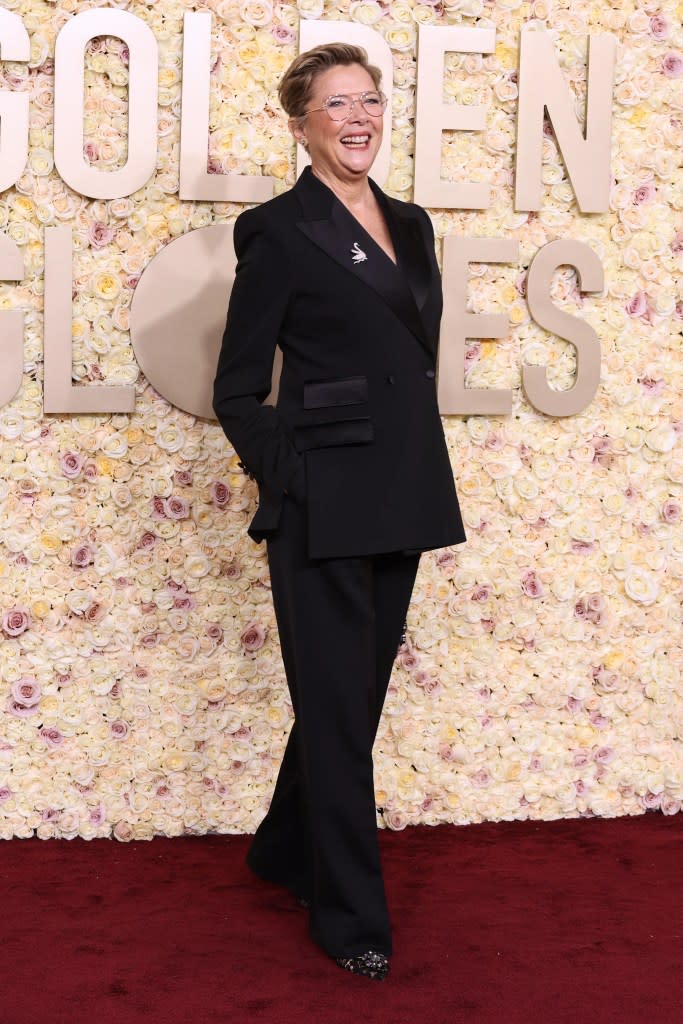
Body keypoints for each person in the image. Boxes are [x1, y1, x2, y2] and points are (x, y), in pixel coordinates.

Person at [213, 42, 465, 981]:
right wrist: (293, 476)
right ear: (299, 122)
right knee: (330, 701)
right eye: (336, 104)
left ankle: (282, 849)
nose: (358, 117)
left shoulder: (412, 222)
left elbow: (407, 360)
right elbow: (238, 389)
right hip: (322, 499)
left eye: (369, 101)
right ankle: (347, 913)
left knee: (351, 698)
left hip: (401, 485)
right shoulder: (277, 231)